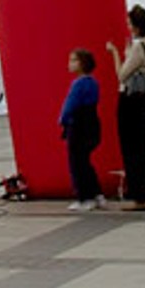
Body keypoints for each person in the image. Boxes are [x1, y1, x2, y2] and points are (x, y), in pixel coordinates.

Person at [105, 4, 145, 211]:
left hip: (133, 100)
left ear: (138, 27)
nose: (129, 28)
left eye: (130, 24)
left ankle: (139, 196)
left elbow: (122, 75)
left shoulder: (140, 47)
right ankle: (142, 193)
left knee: (131, 148)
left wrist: (115, 53)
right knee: (139, 145)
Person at [58, 47, 103, 211]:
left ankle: (84, 197)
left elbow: (70, 104)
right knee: (85, 162)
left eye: (73, 60)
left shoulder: (78, 84)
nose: (69, 64)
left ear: (82, 63)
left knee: (76, 163)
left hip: (78, 125)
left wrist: (62, 119)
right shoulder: (93, 82)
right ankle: (97, 194)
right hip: (91, 123)